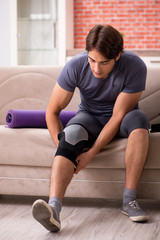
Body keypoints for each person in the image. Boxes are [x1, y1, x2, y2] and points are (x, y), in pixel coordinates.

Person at [32, 24, 150, 232]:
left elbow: (117, 117)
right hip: (89, 117)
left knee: (140, 121)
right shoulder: (75, 66)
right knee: (71, 134)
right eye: (92, 60)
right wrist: (63, 148)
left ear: (118, 56)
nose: (96, 69)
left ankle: (129, 201)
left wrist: (90, 154)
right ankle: (54, 210)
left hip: (122, 119)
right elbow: (52, 111)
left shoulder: (135, 67)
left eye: (104, 62)